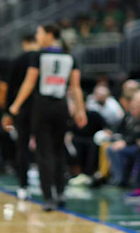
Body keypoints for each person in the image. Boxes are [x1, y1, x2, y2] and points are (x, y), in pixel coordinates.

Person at [9, 24, 88, 211]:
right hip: (60, 106)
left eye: (40, 33)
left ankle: (48, 197)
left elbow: (29, 83)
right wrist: (80, 110)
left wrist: (16, 105)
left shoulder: (39, 55)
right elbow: (76, 87)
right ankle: (61, 192)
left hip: (42, 106)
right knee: (59, 149)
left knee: (43, 152)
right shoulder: (70, 57)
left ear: (49, 35)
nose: (38, 36)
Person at [6, 33, 40, 199]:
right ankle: (50, 184)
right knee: (45, 147)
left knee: (22, 147)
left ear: (24, 42)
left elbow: (10, 87)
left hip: (22, 109)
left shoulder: (18, 60)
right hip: (42, 108)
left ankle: (23, 185)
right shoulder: (42, 58)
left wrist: (9, 110)